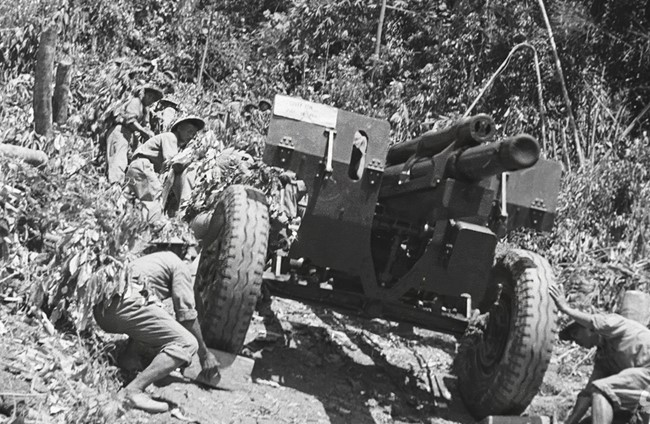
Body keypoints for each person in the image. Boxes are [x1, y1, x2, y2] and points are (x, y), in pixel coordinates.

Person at [93, 250, 220, 413]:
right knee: (187, 343)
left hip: (103, 311)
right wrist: (205, 355)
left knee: (155, 314)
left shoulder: (161, 260)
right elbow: (186, 317)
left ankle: (128, 360)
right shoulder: (182, 269)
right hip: (124, 306)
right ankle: (133, 391)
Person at [550, 284, 650, 424]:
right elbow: (587, 394)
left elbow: (594, 321)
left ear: (589, 329)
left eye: (575, 333)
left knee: (601, 389)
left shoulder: (614, 323)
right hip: (645, 398)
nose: (575, 341)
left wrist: (566, 309)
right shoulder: (603, 358)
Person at [125, 116, 205, 210]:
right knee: (156, 198)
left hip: (138, 169)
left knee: (140, 204)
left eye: (193, 134)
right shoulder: (171, 137)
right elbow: (173, 163)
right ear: (179, 128)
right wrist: (193, 157)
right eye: (189, 131)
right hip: (142, 167)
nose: (191, 136)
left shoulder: (175, 145)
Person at [106, 86, 163, 183]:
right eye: (149, 96)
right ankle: (115, 184)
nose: (151, 100)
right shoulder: (136, 102)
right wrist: (144, 132)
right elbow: (130, 121)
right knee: (118, 157)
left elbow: (145, 125)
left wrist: (149, 133)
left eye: (153, 99)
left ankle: (122, 182)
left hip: (128, 134)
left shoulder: (145, 110)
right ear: (143, 94)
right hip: (120, 131)